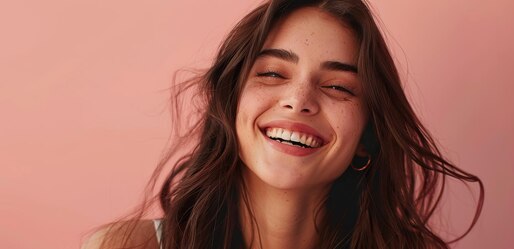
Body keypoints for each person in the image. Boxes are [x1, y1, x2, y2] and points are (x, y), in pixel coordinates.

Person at [82, 0, 484, 248]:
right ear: (229, 103)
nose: (299, 100)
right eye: (273, 74)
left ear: (368, 137)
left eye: (337, 86)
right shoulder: (124, 248)